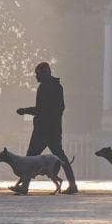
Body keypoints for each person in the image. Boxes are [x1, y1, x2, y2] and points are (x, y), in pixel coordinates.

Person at [14, 62, 77, 194]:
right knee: (61, 157)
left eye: (37, 73)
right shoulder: (57, 87)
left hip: (42, 130)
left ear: (44, 73)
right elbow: (60, 108)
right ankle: (73, 185)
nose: (36, 76)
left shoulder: (43, 88)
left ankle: (24, 186)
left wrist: (24, 110)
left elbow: (40, 110)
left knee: (30, 158)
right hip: (54, 129)